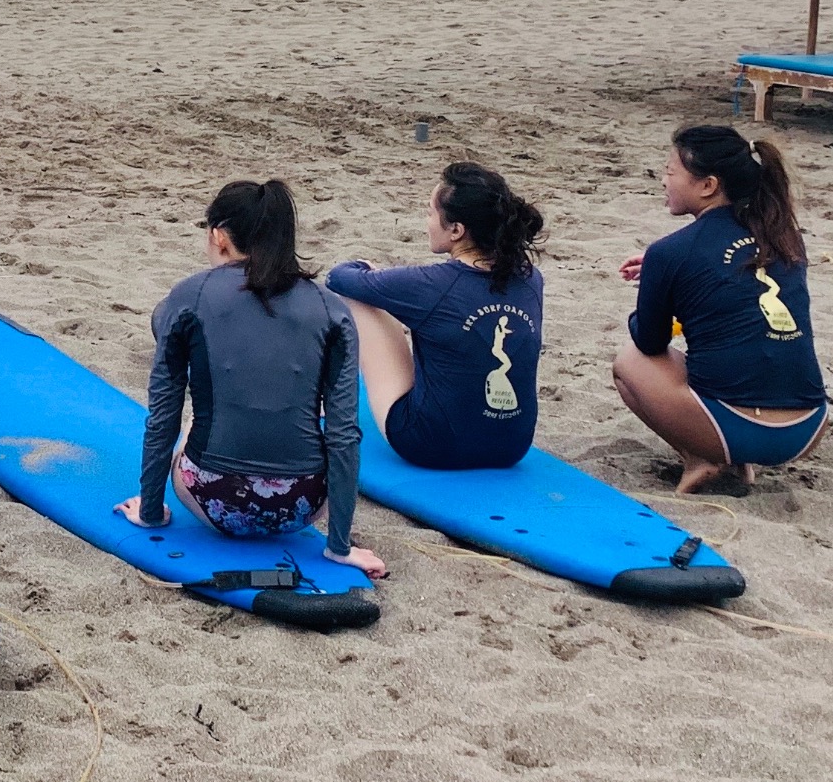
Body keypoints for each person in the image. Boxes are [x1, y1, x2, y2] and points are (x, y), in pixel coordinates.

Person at [121, 179, 384, 577]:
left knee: (194, 421)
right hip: (304, 505)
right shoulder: (332, 310)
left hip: (212, 500)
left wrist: (151, 512)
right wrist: (340, 547)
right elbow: (344, 434)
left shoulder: (189, 296)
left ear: (219, 236)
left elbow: (163, 417)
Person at [614, 125, 826, 493]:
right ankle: (730, 459)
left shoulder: (670, 251)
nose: (663, 180)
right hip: (807, 426)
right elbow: (731, 276)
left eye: (670, 171)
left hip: (736, 426)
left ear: (708, 185)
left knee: (628, 362)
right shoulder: (785, 235)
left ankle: (703, 457)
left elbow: (650, 341)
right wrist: (673, 279)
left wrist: (659, 289)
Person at [324, 164, 546, 470]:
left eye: (430, 213)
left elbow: (338, 278)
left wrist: (366, 268)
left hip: (432, 447)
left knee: (358, 300)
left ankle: (322, 395)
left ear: (456, 230)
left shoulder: (431, 284)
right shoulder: (531, 278)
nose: (427, 222)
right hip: (512, 446)